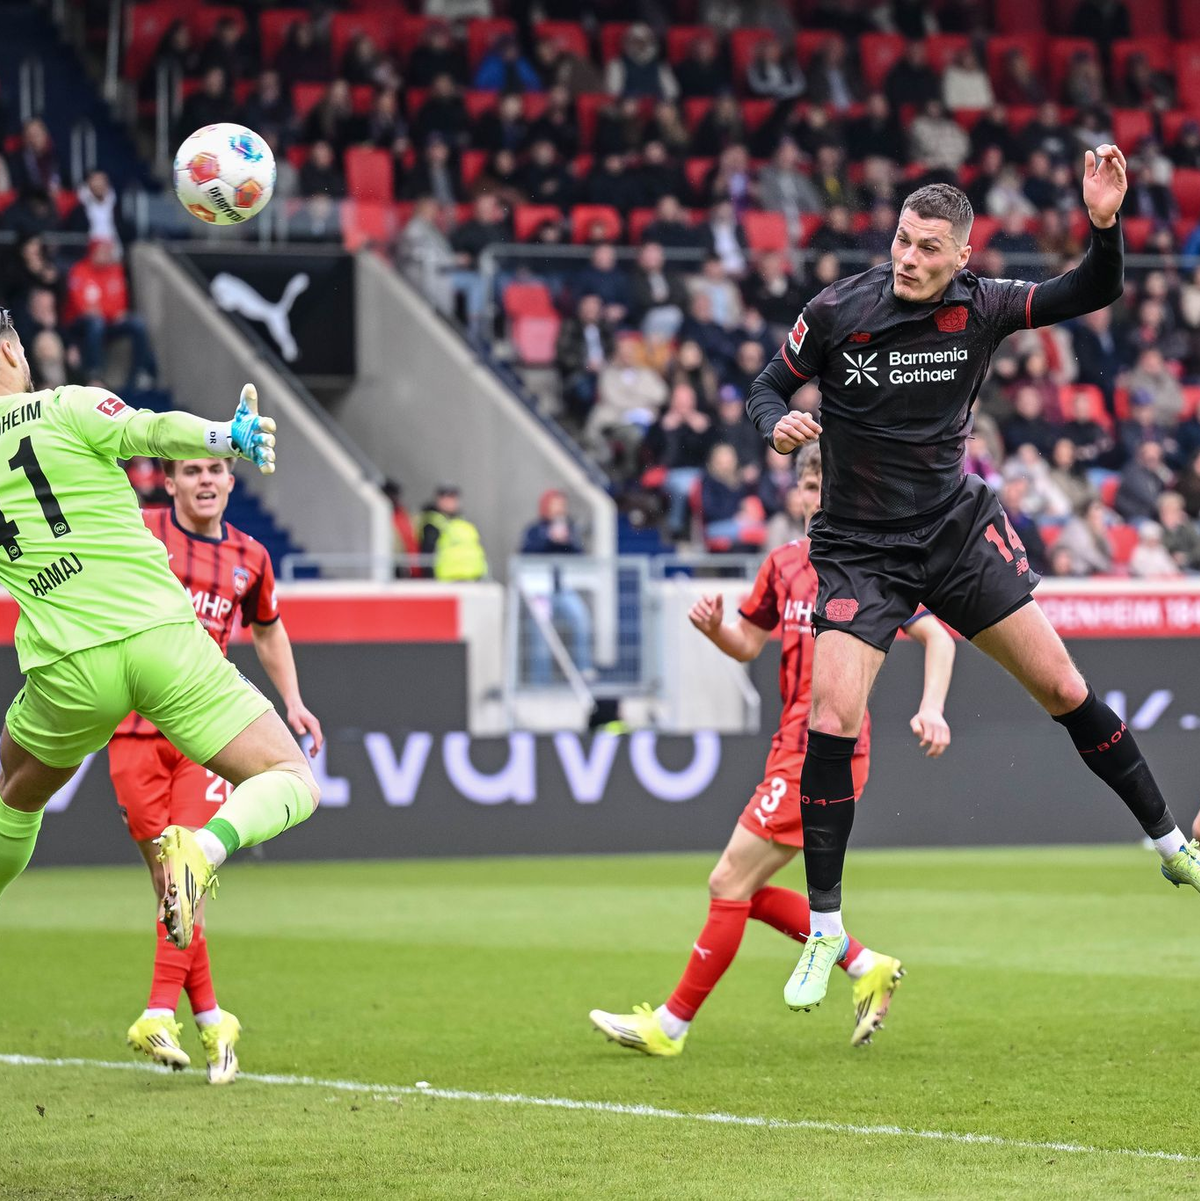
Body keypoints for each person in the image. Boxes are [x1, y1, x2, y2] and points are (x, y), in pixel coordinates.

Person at [744, 151, 1200, 1017]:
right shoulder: (837, 310)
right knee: (833, 716)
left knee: (1065, 686)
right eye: (901, 241)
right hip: (859, 546)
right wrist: (778, 426)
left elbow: (1089, 292)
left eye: (927, 248)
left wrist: (1104, 226)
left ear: (961, 255)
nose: (908, 258)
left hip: (954, 533)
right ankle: (827, 928)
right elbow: (767, 386)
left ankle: (1172, 842)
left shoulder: (983, 305)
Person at [589, 455, 956, 1054]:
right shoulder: (783, 565)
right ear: (796, 496)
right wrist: (715, 630)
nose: (814, 496)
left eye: (825, 485)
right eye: (808, 485)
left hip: (830, 751)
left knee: (727, 880)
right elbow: (748, 643)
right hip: (787, 747)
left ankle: (671, 1026)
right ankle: (864, 965)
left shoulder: (870, 565)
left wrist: (933, 706)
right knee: (744, 893)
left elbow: (937, 635)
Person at [0, 318, 319, 962]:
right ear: (10, 349)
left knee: (15, 786)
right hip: (163, 643)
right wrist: (224, 437)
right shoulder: (66, 405)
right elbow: (149, 429)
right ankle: (204, 848)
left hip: (68, 667)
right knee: (292, 777)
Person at [112, 455, 323, 1082]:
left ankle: (157, 1012)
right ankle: (212, 1020)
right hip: (131, 725)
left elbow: (268, 630)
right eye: (192, 470)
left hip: (205, 732)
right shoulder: (141, 530)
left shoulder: (250, 557)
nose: (205, 480)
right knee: (166, 888)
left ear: (232, 483)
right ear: (168, 482)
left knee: (187, 875)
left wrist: (294, 701)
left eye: (215, 470)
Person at [519, 489, 593, 683]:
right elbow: (526, 552)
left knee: (581, 618)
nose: (560, 509)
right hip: (540, 590)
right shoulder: (534, 530)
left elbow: (579, 554)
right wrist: (548, 539)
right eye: (555, 504)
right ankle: (540, 680)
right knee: (541, 634)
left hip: (562, 589)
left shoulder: (569, 529)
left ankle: (583, 670)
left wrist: (566, 541)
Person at [418, 484, 488, 580]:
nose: (450, 502)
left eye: (453, 498)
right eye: (447, 498)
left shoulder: (462, 522)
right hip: (443, 580)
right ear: (438, 499)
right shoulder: (432, 522)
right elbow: (427, 555)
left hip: (472, 578)